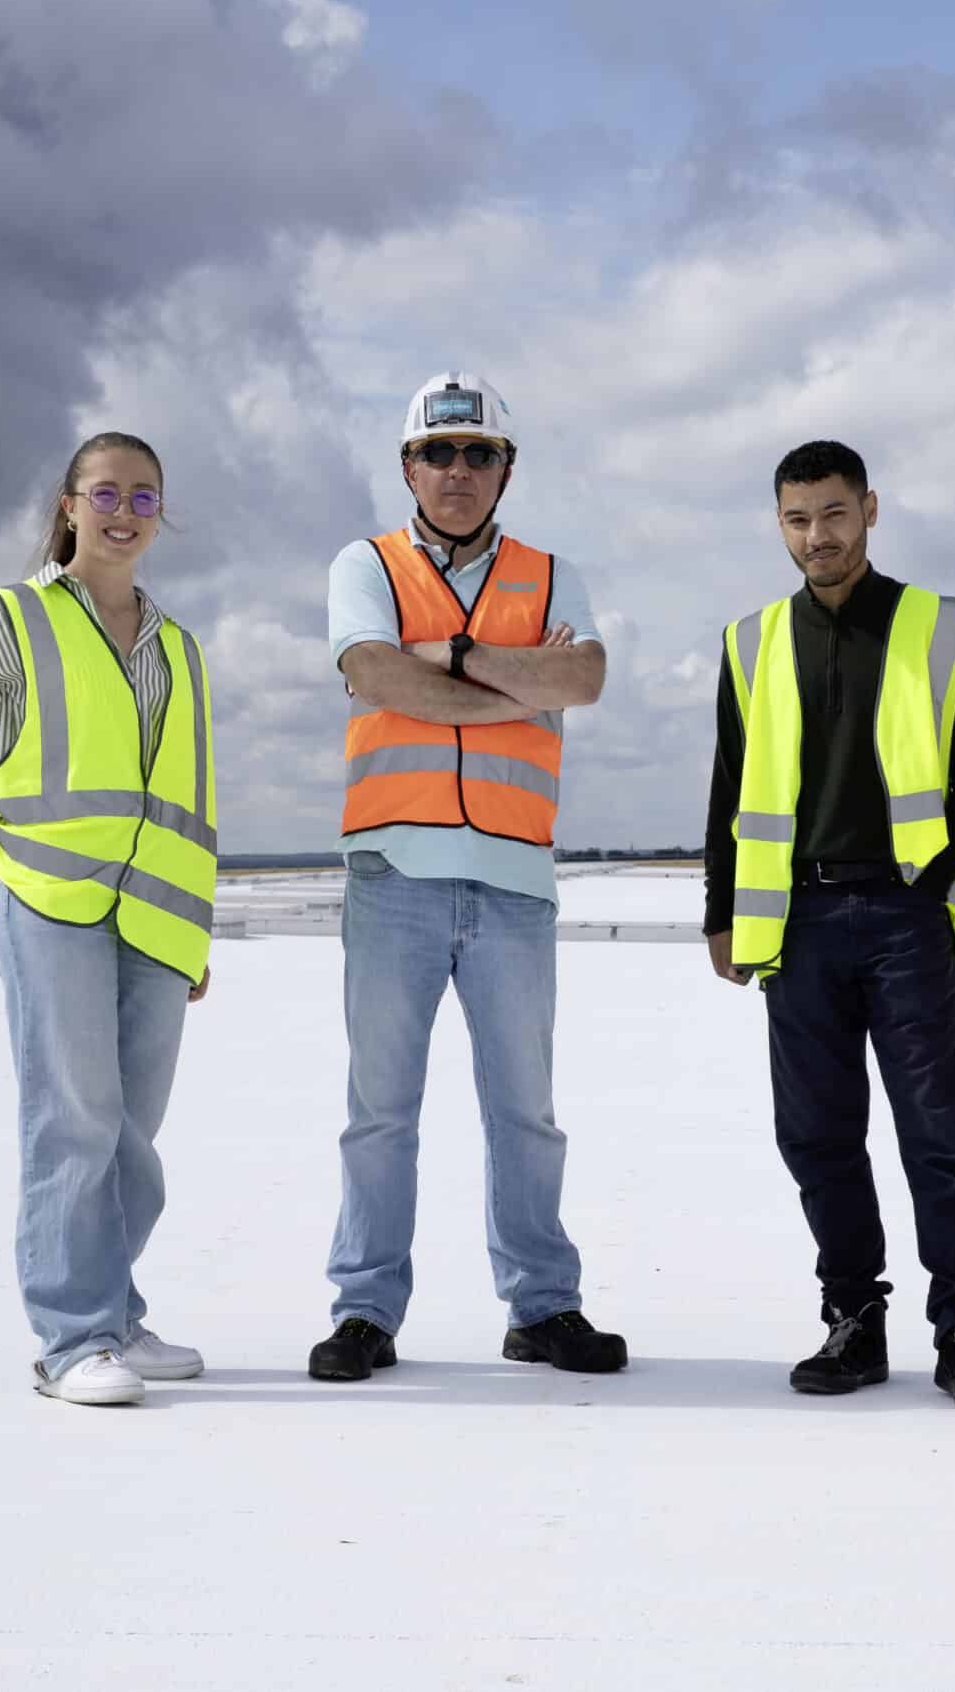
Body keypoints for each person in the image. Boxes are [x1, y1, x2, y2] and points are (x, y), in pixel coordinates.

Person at [0, 431, 218, 1407]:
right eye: (105, 493)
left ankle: (116, 1317)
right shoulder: (12, 621)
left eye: (144, 497)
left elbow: (186, 797)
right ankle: (69, 1341)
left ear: (160, 514)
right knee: (74, 1123)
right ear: (67, 506)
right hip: (52, 899)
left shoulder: (177, 644)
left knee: (132, 1135)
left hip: (156, 918)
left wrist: (195, 930)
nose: (123, 512)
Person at [310, 371, 627, 1380]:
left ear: (505, 469)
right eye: (438, 453)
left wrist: (444, 658)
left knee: (524, 1113)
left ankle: (541, 1307)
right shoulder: (361, 566)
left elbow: (581, 679)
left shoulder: (549, 573)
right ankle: (365, 1312)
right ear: (408, 466)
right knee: (380, 1111)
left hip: (514, 882)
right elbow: (374, 674)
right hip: (393, 872)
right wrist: (510, 683)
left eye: (478, 453)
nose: (458, 471)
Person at [703, 439, 955, 1414]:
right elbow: (727, 785)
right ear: (780, 524)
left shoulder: (939, 626)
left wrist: (924, 881)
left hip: (903, 919)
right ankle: (854, 1319)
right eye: (798, 519)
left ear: (870, 511)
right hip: (796, 924)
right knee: (817, 1137)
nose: (817, 536)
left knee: (940, 1136)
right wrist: (723, 910)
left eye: (833, 514)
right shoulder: (750, 641)